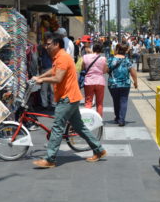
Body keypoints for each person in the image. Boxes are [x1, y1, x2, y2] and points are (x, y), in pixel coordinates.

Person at [32, 33, 106, 168]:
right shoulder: (59, 57)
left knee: (57, 127)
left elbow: (57, 78)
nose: (46, 46)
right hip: (70, 97)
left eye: (48, 44)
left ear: (56, 44)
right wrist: (39, 76)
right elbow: (53, 70)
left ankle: (50, 158)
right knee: (80, 127)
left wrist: (41, 80)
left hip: (67, 98)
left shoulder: (63, 58)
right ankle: (99, 149)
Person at [107, 44, 138, 126]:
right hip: (125, 84)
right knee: (123, 101)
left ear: (117, 49)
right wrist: (135, 82)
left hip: (113, 84)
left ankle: (117, 117)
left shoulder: (111, 59)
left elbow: (106, 70)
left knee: (116, 100)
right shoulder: (127, 60)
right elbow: (133, 72)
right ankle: (121, 120)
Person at [82, 43, 107, 117]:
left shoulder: (85, 57)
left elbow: (83, 68)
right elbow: (104, 71)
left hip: (89, 81)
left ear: (93, 49)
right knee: (99, 103)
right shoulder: (103, 58)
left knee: (88, 102)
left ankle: (87, 119)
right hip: (100, 82)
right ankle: (99, 120)